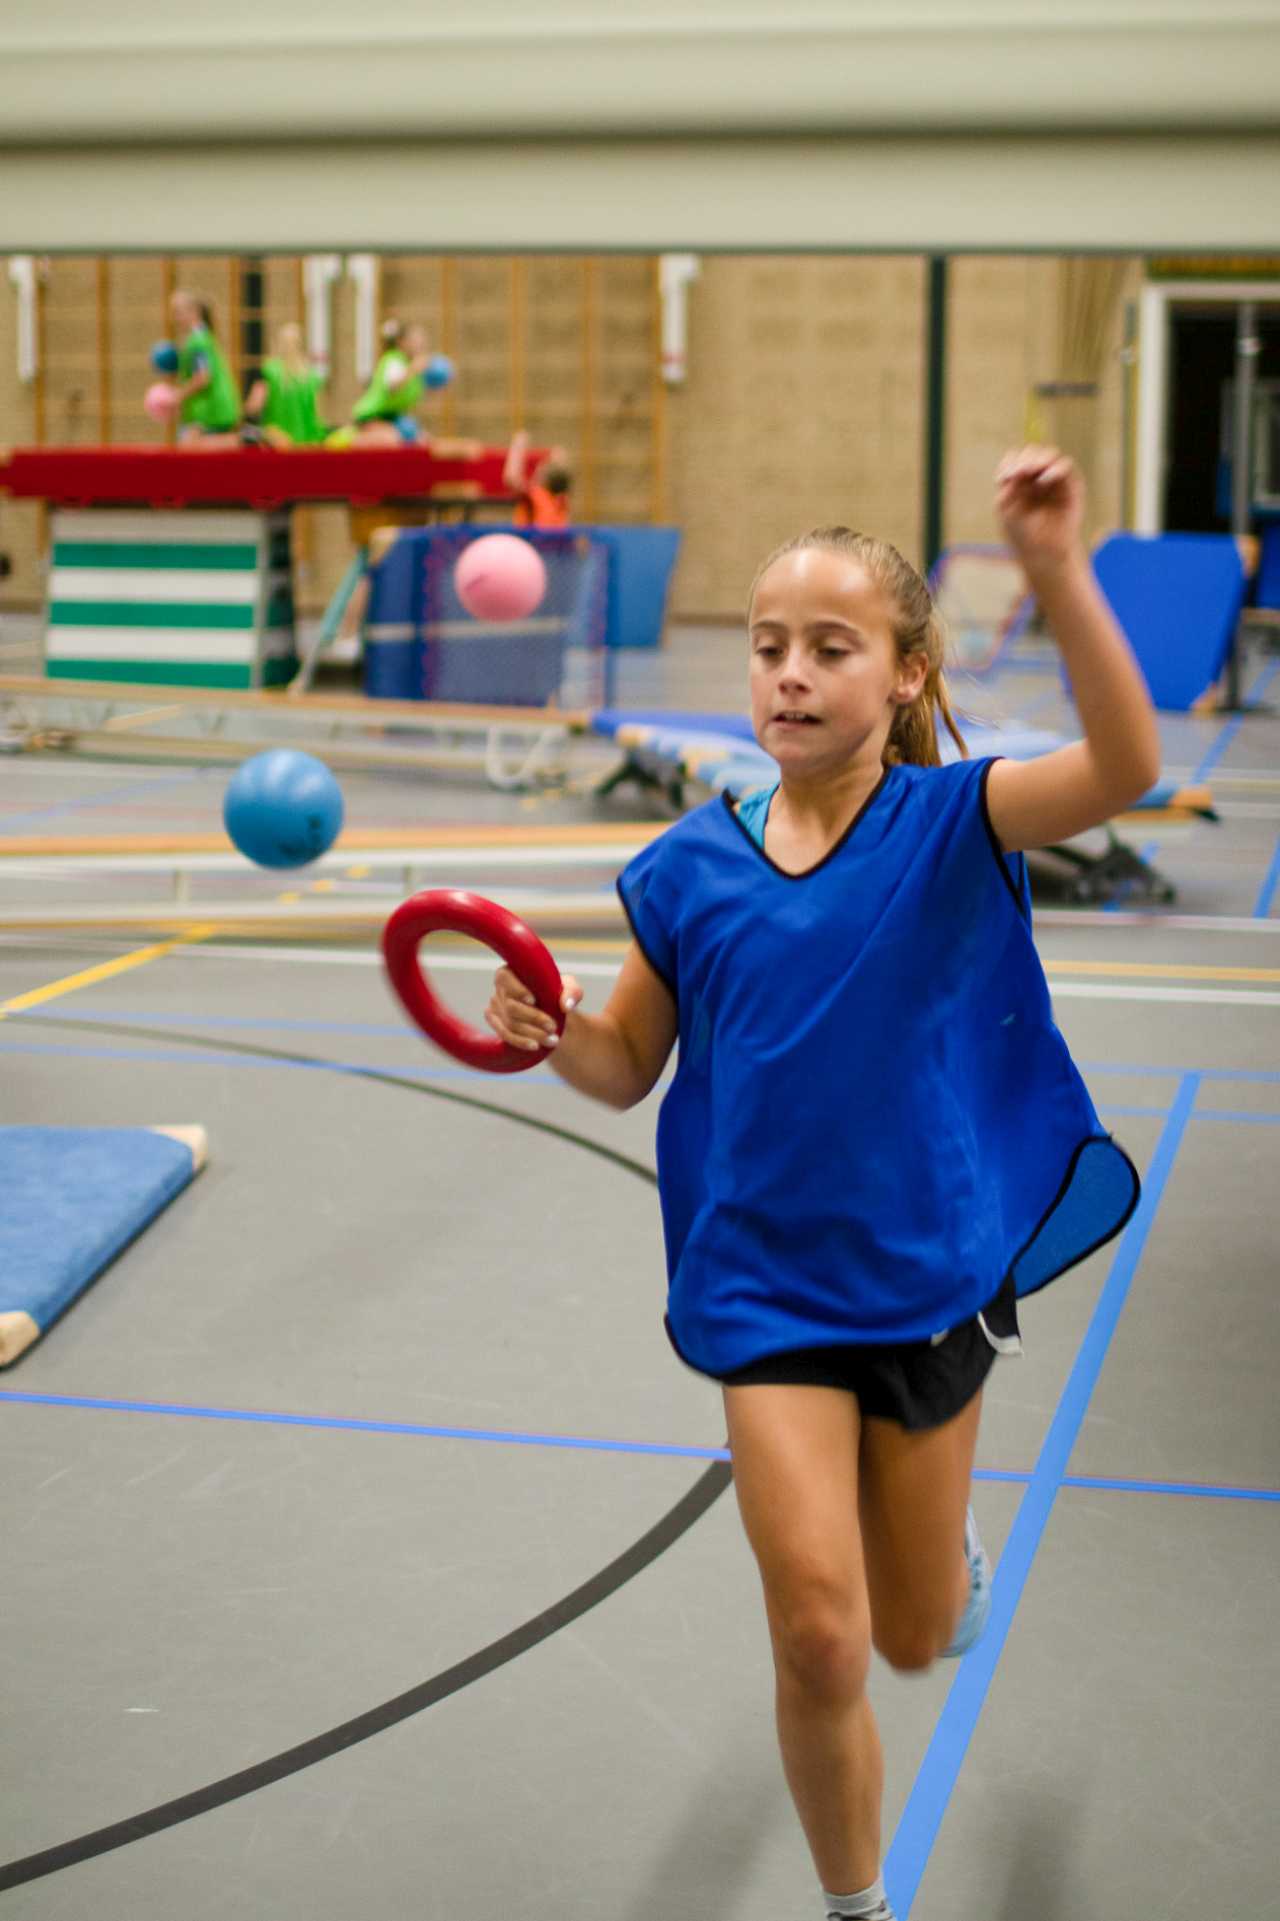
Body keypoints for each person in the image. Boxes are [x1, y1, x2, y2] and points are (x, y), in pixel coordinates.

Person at [485, 445, 1159, 1921]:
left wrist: (1054, 566)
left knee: (914, 1634)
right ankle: (857, 1906)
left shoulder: (953, 823)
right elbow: (624, 1064)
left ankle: (944, 1561)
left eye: (830, 648)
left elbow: (1125, 770)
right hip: (763, 1288)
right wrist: (554, 1034)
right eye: (768, 645)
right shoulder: (686, 869)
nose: (789, 673)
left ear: (907, 673)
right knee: (817, 1636)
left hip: (924, 1280)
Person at [331, 319, 433, 447]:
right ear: (401, 342)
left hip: (393, 417)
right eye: (415, 340)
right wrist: (413, 369)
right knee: (391, 440)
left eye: (422, 339)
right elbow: (393, 386)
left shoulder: (416, 367)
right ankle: (347, 437)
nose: (420, 343)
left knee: (423, 440)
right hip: (372, 416)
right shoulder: (393, 360)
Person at [169, 289, 242, 444]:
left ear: (193, 312)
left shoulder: (198, 341)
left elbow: (203, 377)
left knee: (189, 446)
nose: (174, 319)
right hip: (212, 410)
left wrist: (177, 396)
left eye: (177, 313)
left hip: (211, 411)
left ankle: (245, 440)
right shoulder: (202, 337)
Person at [243, 322, 329, 446]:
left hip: (278, 442)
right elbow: (319, 414)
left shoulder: (269, 370)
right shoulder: (313, 376)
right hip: (309, 442)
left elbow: (254, 405)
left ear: (278, 344)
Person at [503, 429, 573, 527]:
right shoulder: (559, 500)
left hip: (540, 536)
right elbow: (512, 479)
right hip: (538, 536)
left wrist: (517, 447)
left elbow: (512, 478)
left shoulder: (542, 496)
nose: (538, 470)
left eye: (541, 470)